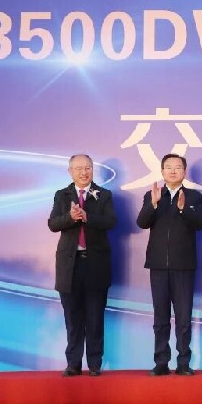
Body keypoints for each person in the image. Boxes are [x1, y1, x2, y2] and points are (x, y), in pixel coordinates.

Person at [136, 154, 202, 376]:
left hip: (183, 265)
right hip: (158, 265)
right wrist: (153, 204)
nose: (173, 171)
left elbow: (200, 224)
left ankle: (183, 362)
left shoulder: (194, 197)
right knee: (160, 318)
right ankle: (161, 361)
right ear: (162, 171)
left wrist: (184, 209)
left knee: (183, 318)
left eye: (177, 167)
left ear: (184, 171)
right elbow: (142, 222)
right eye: (168, 167)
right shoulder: (153, 194)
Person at [47, 154, 117, 377]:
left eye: (87, 168)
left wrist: (87, 217)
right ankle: (73, 363)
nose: (83, 172)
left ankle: (95, 363)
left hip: (96, 264)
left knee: (95, 317)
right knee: (73, 317)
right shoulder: (62, 195)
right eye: (78, 168)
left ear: (92, 170)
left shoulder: (104, 195)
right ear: (70, 171)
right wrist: (70, 217)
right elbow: (53, 224)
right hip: (70, 265)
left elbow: (111, 221)